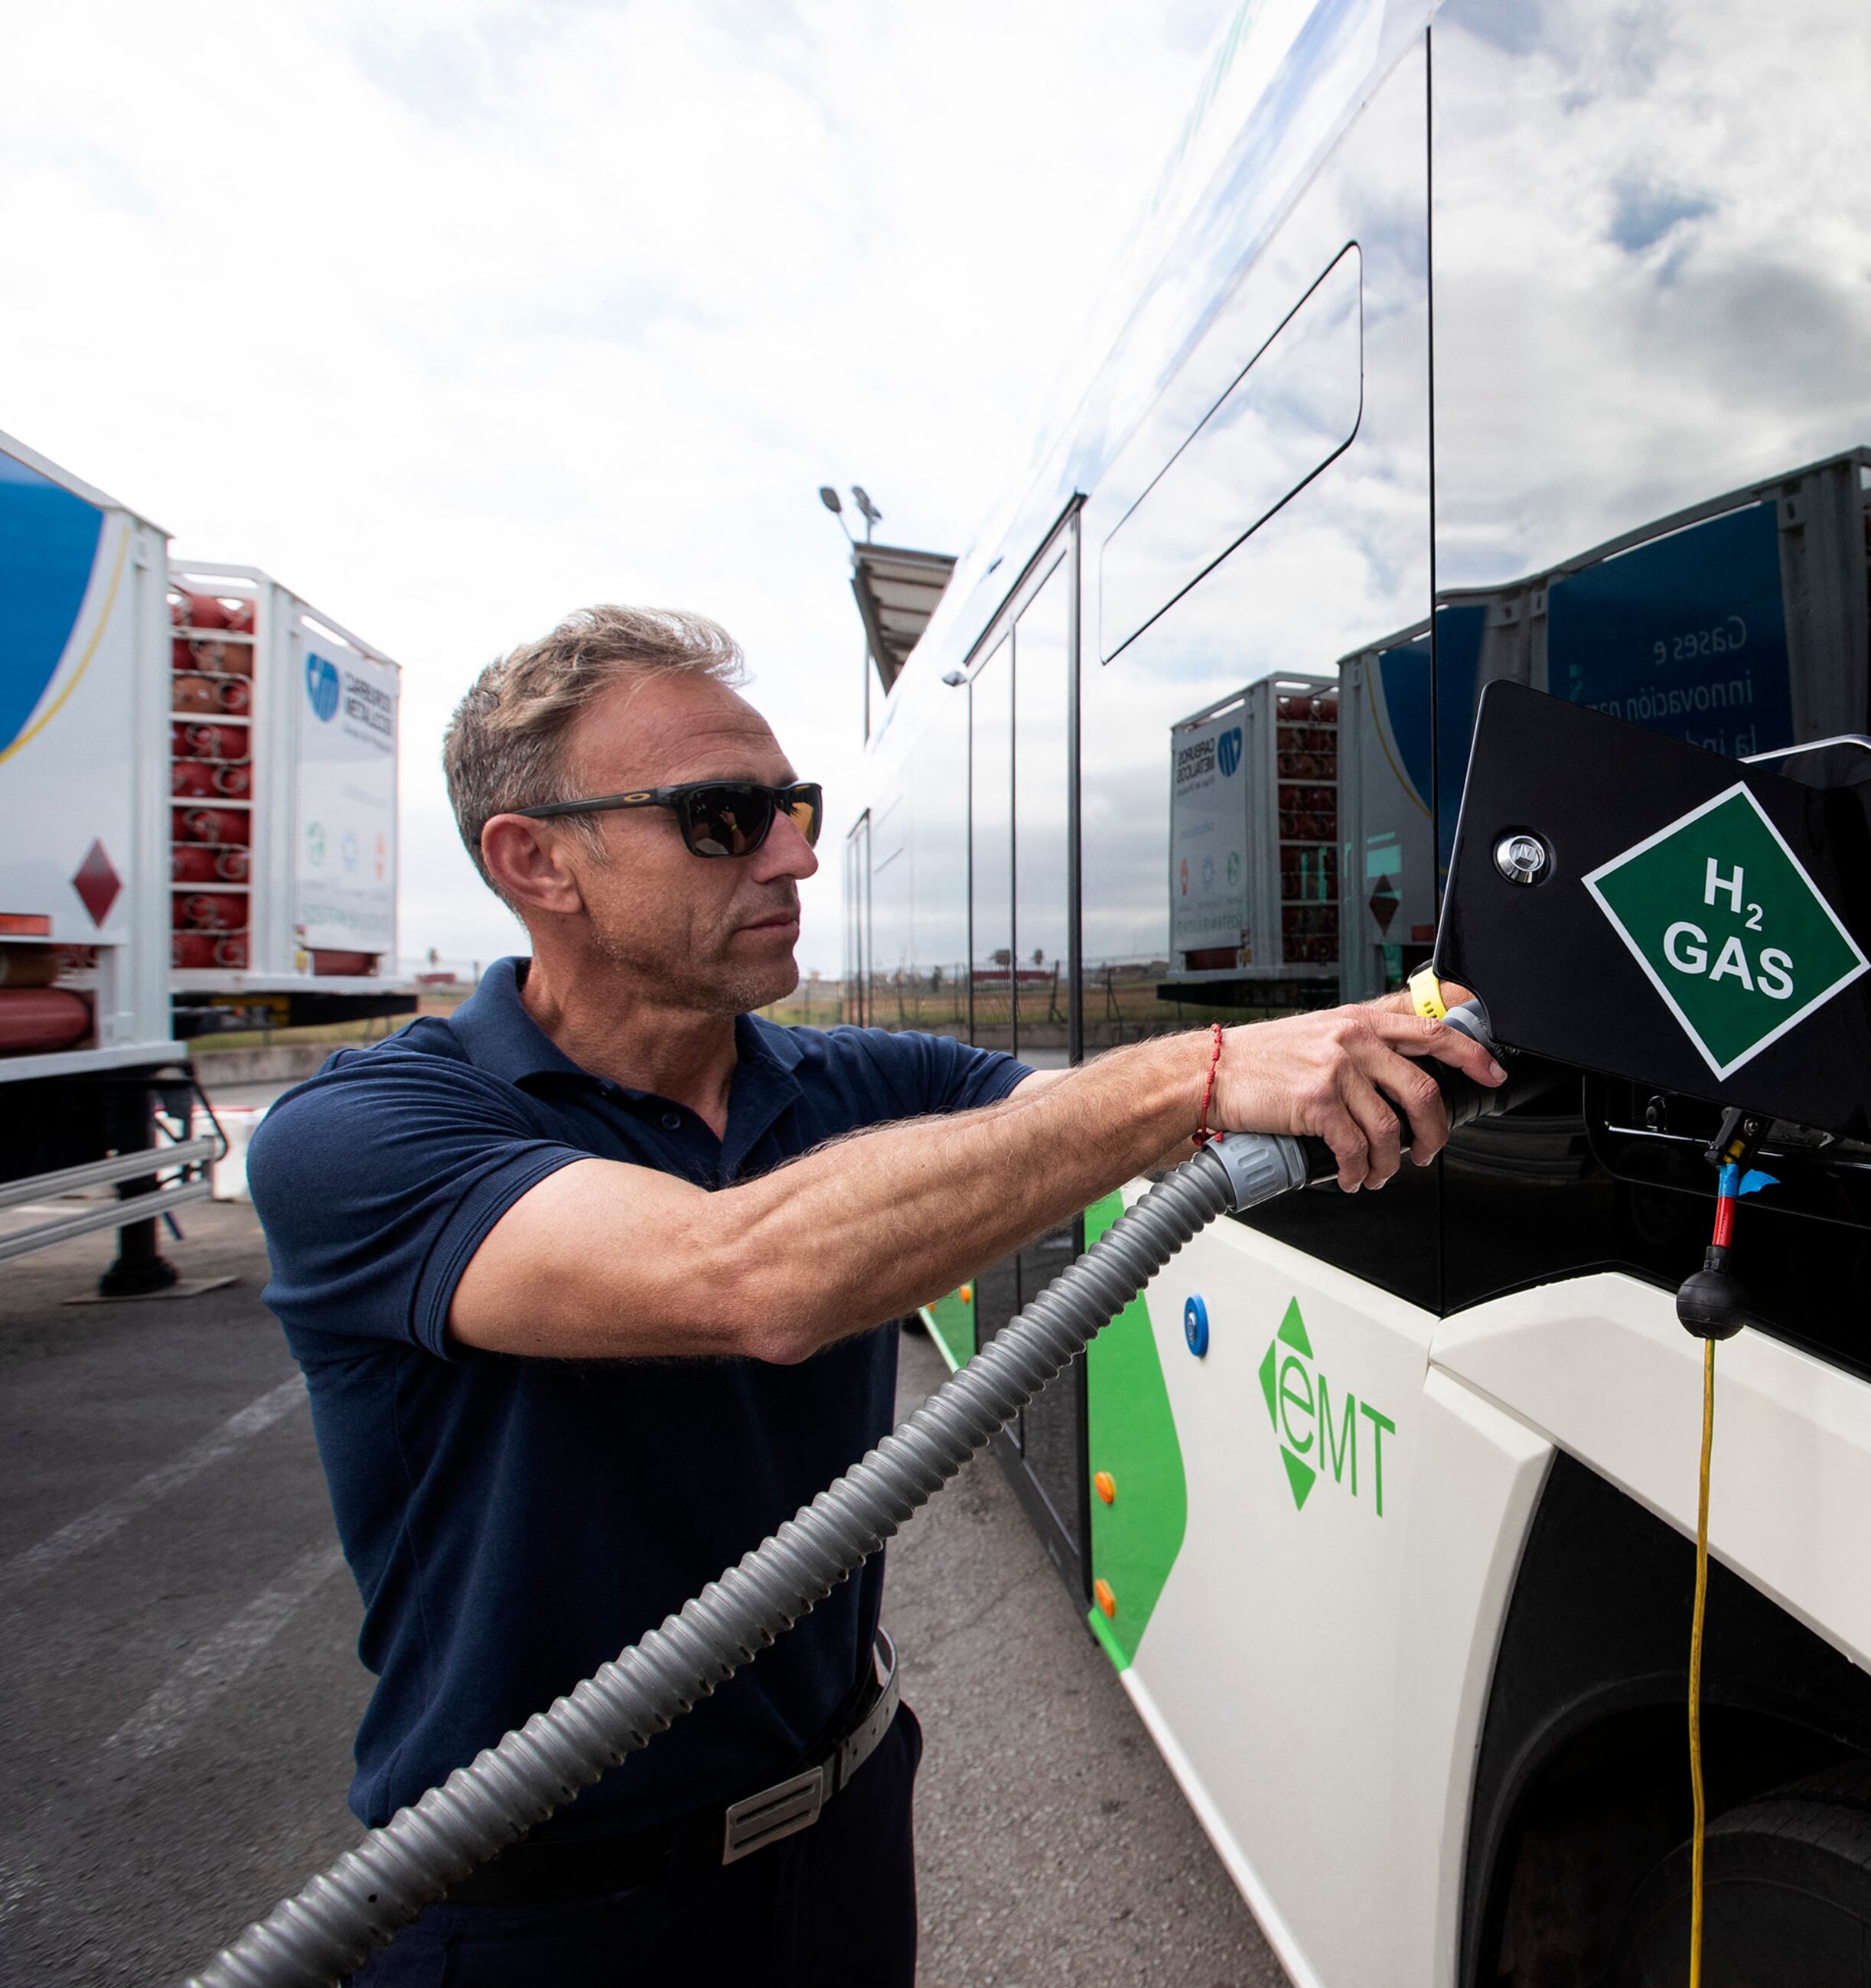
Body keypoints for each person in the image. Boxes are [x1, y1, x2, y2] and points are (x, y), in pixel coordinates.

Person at [253, 606, 1499, 1986]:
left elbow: (1073, 1119)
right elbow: (741, 1272)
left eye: (795, 808)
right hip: (545, 1907)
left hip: (839, 1835)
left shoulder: (856, 1085)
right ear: (537, 857)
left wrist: (1399, 1028)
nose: (793, 853)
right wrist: (1191, 1071)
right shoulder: (371, 1135)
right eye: (723, 818)